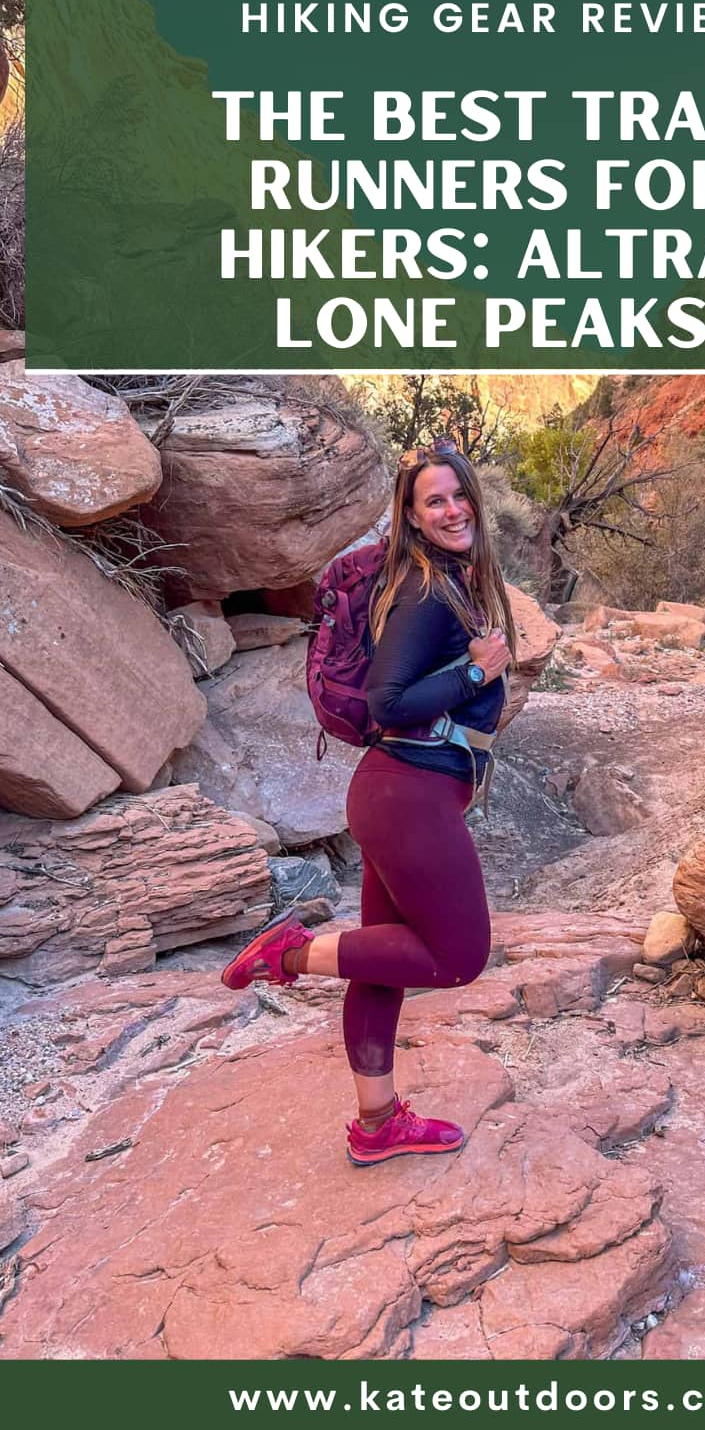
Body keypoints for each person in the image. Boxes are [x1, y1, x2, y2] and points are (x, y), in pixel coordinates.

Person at [221, 438, 515, 1166]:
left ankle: (377, 1123)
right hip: (407, 796)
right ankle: (290, 953)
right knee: (458, 957)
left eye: (457, 495)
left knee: (383, 964)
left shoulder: (446, 581)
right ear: (412, 520)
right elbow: (389, 701)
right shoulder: (425, 592)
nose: (452, 510)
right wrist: (478, 677)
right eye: (433, 502)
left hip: (397, 795)